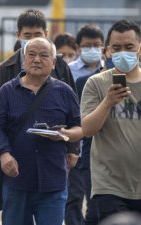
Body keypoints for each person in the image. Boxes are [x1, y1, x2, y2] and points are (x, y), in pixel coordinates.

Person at [0, 37, 82, 225]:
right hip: (16, 178)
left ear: (54, 63)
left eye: (44, 55)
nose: (37, 60)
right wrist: (4, 154)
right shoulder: (7, 91)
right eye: (31, 55)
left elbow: (79, 126)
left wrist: (70, 143)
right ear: (24, 59)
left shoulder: (64, 91)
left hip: (53, 178)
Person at [0, 8, 79, 182]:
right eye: (27, 35)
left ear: (46, 33)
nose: (33, 39)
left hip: (53, 154)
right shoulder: (5, 69)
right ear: (18, 35)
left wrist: (73, 148)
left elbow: (73, 112)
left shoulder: (59, 65)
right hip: (15, 152)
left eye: (37, 34)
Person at [81, 19, 141, 224]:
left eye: (129, 47)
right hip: (109, 187)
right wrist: (108, 102)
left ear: (139, 48)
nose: (123, 52)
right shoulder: (96, 83)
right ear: (107, 50)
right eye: (117, 47)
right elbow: (87, 129)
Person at [65, 24, 104, 225]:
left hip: (99, 147)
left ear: (103, 47)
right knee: (73, 197)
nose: (92, 49)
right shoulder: (68, 72)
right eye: (87, 45)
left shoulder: (110, 72)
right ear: (79, 47)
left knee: (95, 201)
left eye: (96, 45)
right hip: (75, 144)